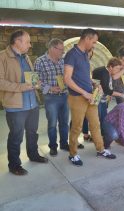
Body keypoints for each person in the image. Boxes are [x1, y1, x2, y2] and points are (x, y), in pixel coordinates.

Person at [64, 28, 116, 166]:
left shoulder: (85, 54)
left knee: (95, 124)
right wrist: (84, 92)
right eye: (93, 42)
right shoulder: (71, 55)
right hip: (78, 97)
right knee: (77, 127)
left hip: (90, 96)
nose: (94, 45)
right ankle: (73, 154)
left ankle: (100, 149)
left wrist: (94, 84)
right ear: (86, 39)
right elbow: (67, 79)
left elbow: (84, 76)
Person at [0, 30, 48, 175]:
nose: (30, 44)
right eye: (27, 41)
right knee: (16, 136)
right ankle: (14, 165)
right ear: (17, 42)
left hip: (32, 103)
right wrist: (22, 87)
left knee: (32, 133)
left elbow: (29, 78)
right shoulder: (2, 57)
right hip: (15, 106)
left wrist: (36, 82)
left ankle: (33, 155)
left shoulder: (26, 57)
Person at [34, 38, 69, 156]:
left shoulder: (63, 61)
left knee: (64, 122)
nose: (62, 52)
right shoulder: (40, 61)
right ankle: (53, 146)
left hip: (64, 96)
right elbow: (36, 82)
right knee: (52, 124)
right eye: (61, 50)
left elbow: (68, 77)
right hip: (51, 98)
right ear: (52, 48)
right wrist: (50, 88)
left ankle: (64, 144)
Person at [92, 57, 124, 136]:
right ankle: (99, 136)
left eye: (119, 68)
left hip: (103, 99)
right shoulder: (104, 73)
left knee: (104, 118)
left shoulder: (107, 72)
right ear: (111, 67)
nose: (118, 70)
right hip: (98, 99)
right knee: (99, 118)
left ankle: (103, 134)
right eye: (117, 68)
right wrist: (120, 94)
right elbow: (107, 90)